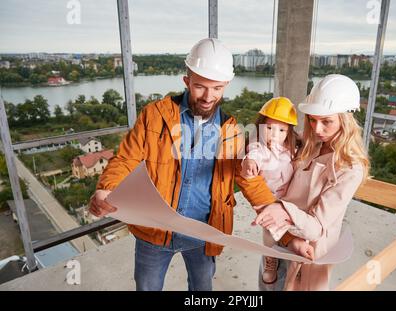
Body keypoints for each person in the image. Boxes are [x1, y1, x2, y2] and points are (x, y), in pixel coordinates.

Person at [88, 38, 276, 291]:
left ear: (226, 85)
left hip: (203, 231)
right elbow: (126, 158)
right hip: (153, 230)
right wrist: (107, 188)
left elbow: (246, 176)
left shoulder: (230, 129)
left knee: (201, 291)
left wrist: (268, 206)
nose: (209, 97)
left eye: (218, 88)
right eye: (200, 87)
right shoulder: (154, 116)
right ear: (186, 80)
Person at [254, 74, 370, 290]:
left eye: (327, 122)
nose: (317, 129)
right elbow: (266, 138)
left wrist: (282, 208)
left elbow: (316, 227)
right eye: (312, 119)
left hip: (307, 252)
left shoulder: (350, 169)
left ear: (345, 119)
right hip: (277, 236)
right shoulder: (308, 143)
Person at [240, 97, 314, 285]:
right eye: (270, 128)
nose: (274, 134)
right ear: (261, 126)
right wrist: (250, 163)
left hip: (288, 199)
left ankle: (290, 256)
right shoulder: (261, 147)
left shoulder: (291, 148)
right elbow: (253, 155)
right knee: (270, 231)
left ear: (288, 131)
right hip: (269, 198)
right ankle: (270, 258)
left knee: (292, 228)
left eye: (281, 130)